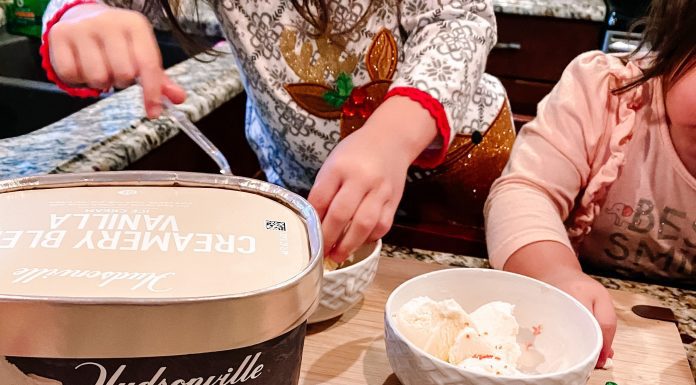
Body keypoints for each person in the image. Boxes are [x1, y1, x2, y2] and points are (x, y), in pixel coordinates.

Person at [41, 0, 515, 263]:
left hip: (456, 171)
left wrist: (392, 136)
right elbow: (93, 6)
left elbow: (460, 18)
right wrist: (77, 16)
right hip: (303, 182)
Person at [485, 0, 696, 369]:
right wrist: (556, 273)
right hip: (567, 320)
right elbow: (524, 191)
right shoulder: (605, 92)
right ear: (675, 42)